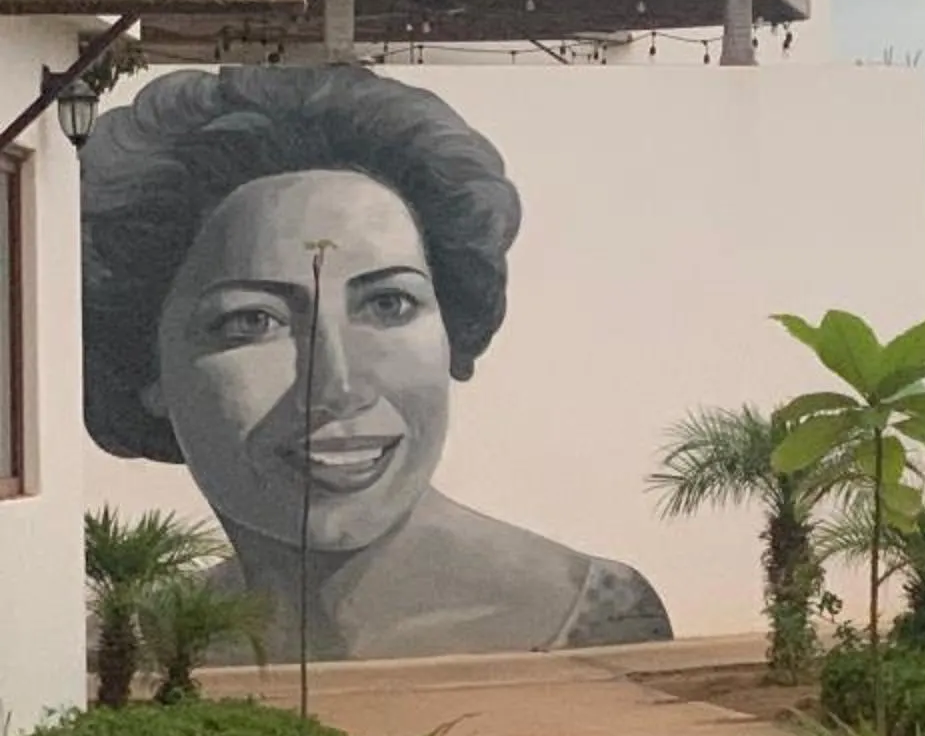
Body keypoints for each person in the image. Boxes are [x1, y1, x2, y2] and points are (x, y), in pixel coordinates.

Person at [83, 65, 669, 659]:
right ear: (147, 368)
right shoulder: (127, 646)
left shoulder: (599, 616)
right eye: (253, 321)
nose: (336, 386)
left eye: (389, 304)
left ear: (452, 330)